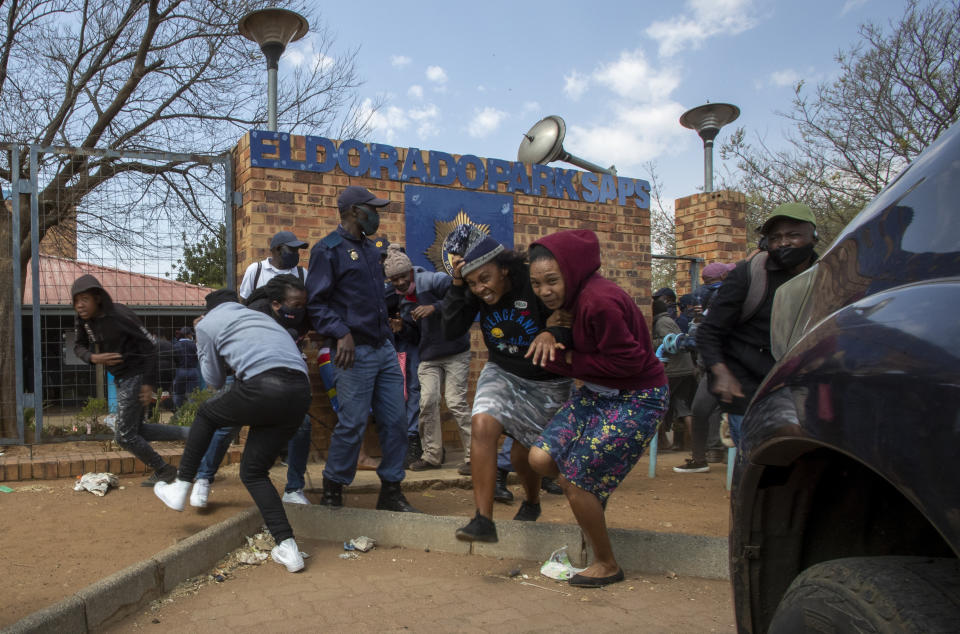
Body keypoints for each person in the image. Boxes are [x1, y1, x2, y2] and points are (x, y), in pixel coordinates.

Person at [524, 230, 668, 587]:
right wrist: (549, 335)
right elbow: (563, 329)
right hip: (596, 393)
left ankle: (607, 563)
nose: (544, 291)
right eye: (537, 283)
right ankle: (590, 493)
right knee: (540, 460)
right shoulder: (570, 298)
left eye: (552, 281)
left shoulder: (600, 300)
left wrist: (564, 360)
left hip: (638, 396)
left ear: (571, 272)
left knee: (576, 479)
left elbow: (629, 363)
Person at [154, 289, 312, 573]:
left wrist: (213, 349)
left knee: (206, 414)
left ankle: (181, 485)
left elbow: (214, 381)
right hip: (300, 393)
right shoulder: (257, 317)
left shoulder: (207, 325)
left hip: (264, 385)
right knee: (252, 471)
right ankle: (288, 548)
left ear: (209, 310)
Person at [441, 227, 573, 543]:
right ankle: (483, 520)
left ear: (503, 268)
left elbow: (571, 320)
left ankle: (532, 500)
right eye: (473, 283)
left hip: (547, 381)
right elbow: (451, 329)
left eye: (485, 279)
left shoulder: (532, 282)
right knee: (482, 424)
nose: (481, 288)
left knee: (521, 457)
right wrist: (459, 285)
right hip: (502, 370)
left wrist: (553, 334)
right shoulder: (473, 291)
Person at [305, 185, 418, 512]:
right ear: (355, 211)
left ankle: (392, 490)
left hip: (383, 347)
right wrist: (341, 333)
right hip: (352, 354)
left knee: (396, 420)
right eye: (373, 209)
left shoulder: (374, 250)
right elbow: (317, 304)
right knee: (352, 422)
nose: (377, 215)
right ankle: (334, 488)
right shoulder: (327, 250)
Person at [697, 203, 819, 446]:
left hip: (805, 386)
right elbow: (709, 331)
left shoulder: (827, 275)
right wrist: (721, 373)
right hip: (751, 388)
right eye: (775, 237)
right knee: (759, 459)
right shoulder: (748, 274)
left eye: (793, 235)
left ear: (813, 237)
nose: (783, 243)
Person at [189, 275, 314, 508]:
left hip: (285, 380)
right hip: (249, 378)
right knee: (225, 425)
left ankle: (294, 488)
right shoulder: (256, 312)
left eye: (301, 306)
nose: (299, 310)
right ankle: (204, 478)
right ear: (276, 303)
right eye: (294, 305)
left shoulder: (297, 314)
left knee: (303, 424)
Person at [71, 275, 188, 486]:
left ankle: (164, 470)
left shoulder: (120, 316)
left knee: (124, 436)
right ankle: (194, 434)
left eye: (84, 298)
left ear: (97, 297)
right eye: (76, 299)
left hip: (136, 374)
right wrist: (94, 357)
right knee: (137, 431)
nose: (79, 304)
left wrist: (148, 384)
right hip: (121, 377)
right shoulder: (83, 319)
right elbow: (78, 346)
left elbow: (151, 346)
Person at [384, 244, 473, 475]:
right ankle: (432, 455)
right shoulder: (404, 301)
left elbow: (461, 299)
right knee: (427, 403)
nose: (400, 283)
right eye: (394, 280)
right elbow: (414, 337)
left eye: (402, 277)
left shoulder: (435, 281)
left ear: (410, 272)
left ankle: (475, 456)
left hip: (455, 351)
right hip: (429, 356)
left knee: (455, 402)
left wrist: (433, 307)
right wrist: (401, 328)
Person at [652, 298, 696, 452]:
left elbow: (670, 343)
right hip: (684, 369)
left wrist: (650, 341)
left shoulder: (662, 322)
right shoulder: (668, 320)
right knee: (681, 406)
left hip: (673, 370)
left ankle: (661, 443)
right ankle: (694, 445)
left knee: (657, 405)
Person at [237, 230, 309, 300]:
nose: (296, 254)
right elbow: (244, 301)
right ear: (278, 249)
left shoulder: (302, 273)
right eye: (293, 250)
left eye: (297, 250)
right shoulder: (256, 270)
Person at [171, 327, 200, 410]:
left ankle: (177, 413)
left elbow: (174, 359)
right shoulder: (194, 345)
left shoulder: (175, 345)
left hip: (180, 370)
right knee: (192, 395)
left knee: (178, 394)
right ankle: (192, 414)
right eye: (191, 334)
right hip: (193, 370)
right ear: (188, 335)